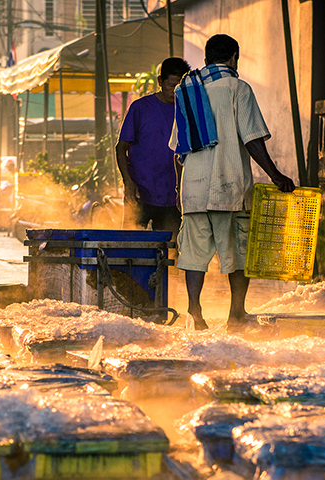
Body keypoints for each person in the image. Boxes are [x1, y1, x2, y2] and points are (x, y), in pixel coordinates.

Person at [171, 34, 295, 331]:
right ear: (233, 57)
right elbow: (252, 139)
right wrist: (276, 175)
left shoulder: (187, 90)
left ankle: (194, 314)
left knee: (194, 254)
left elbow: (179, 149)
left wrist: (180, 190)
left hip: (195, 189)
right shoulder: (238, 88)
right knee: (238, 254)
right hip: (230, 187)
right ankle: (236, 314)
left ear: (206, 58)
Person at [116, 57, 191, 240]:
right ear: (160, 82)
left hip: (172, 199)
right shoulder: (140, 108)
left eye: (179, 87)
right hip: (139, 194)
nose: (175, 92)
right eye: (171, 85)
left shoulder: (186, 112)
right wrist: (128, 182)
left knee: (170, 251)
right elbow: (120, 148)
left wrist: (182, 191)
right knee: (130, 248)